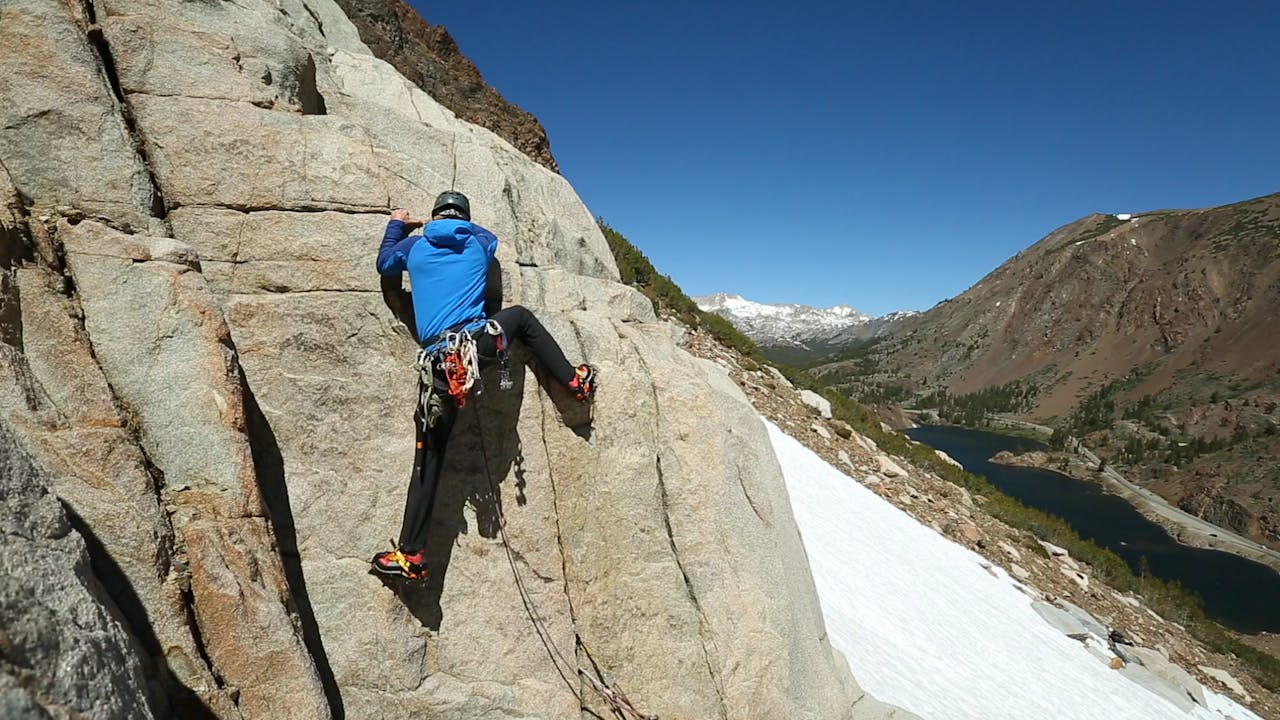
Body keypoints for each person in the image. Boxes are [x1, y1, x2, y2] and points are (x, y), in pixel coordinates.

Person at [371, 190, 595, 579]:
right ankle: (574, 381)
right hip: (481, 345)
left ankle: (412, 555)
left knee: (429, 458)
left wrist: (398, 225)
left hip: (442, 363)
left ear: (434, 216)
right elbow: (490, 239)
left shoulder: (413, 247)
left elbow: (384, 265)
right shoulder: (479, 243)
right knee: (521, 317)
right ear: (464, 217)